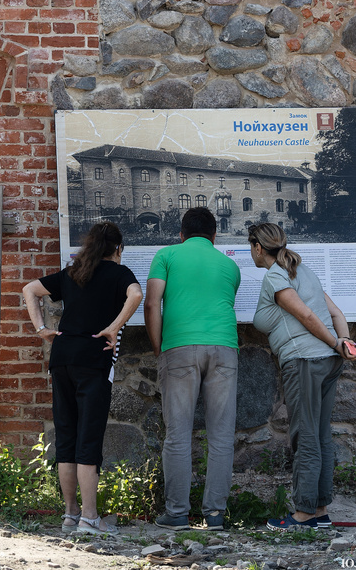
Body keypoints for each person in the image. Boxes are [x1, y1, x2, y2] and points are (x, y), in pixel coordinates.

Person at [22, 221, 143, 535]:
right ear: (118, 249)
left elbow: (30, 290)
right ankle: (90, 518)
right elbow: (136, 295)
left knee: (67, 438)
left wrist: (40, 329)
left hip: (62, 357)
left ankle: (71, 514)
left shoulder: (73, 272)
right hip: (92, 358)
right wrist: (114, 327)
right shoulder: (120, 273)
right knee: (88, 439)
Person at [247, 223, 356, 530]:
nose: (251, 252)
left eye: (251, 247)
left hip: (305, 362)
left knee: (305, 436)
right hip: (326, 361)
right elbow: (335, 313)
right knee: (321, 435)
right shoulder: (303, 271)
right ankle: (320, 508)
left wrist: (337, 343)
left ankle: (304, 513)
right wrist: (344, 342)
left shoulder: (275, 275)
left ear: (258, 247)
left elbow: (307, 316)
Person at [145, 207, 241, 531]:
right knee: (222, 435)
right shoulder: (230, 265)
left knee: (178, 433)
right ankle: (214, 515)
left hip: (179, 346)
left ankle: (176, 513)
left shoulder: (167, 255)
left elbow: (151, 302)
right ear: (214, 237)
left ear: (181, 234)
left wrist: (160, 348)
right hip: (225, 348)